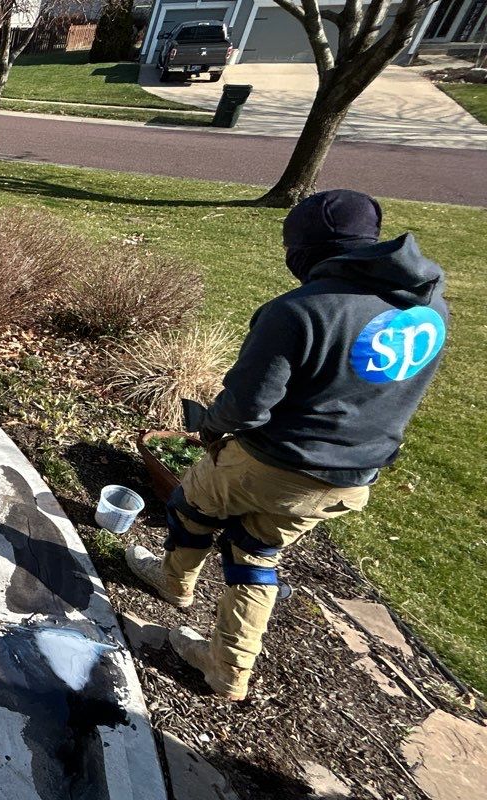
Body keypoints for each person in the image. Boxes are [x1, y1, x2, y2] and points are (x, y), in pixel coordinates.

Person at [125, 189, 449, 700]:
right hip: (350, 478)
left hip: (273, 462)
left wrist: (209, 429)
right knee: (254, 553)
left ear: (305, 249)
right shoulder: (430, 306)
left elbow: (248, 408)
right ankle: (226, 671)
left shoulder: (300, 311)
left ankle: (173, 584)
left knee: (192, 503)